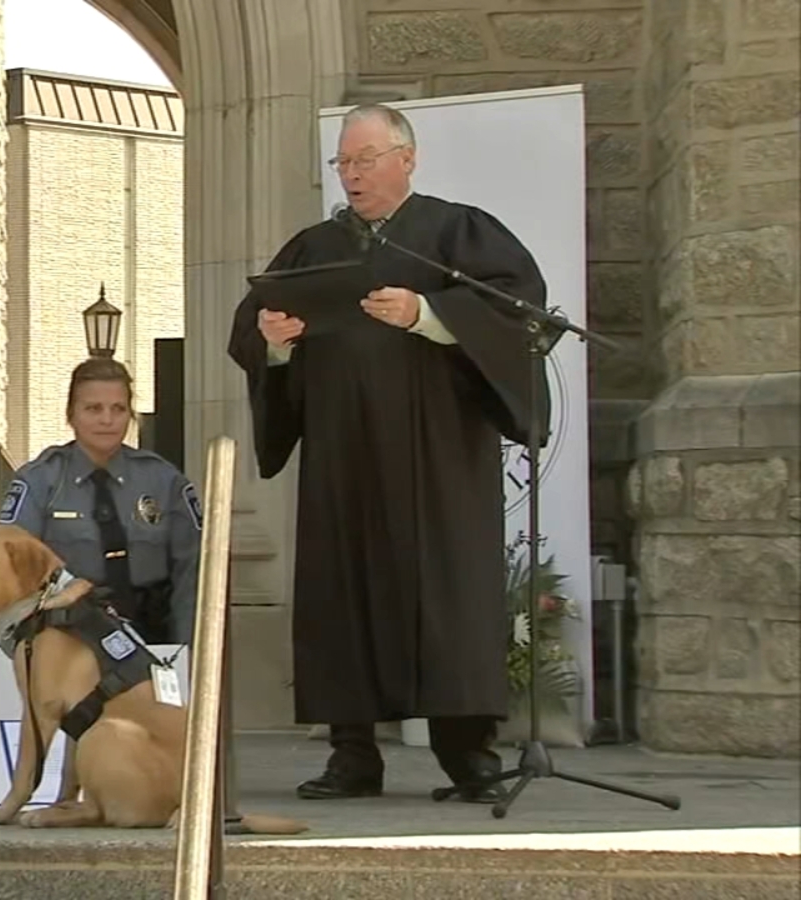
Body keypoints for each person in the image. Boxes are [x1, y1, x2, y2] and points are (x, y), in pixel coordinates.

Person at [226, 102, 550, 803]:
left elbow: (521, 310)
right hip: (342, 454)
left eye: (366, 159)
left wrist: (428, 314)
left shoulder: (457, 232)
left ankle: (468, 756)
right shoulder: (312, 247)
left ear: (407, 158)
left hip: (440, 454)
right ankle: (353, 755)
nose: (353, 174)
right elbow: (248, 329)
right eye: (343, 162)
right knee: (342, 593)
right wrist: (274, 340)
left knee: (448, 595)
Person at [0, 358, 201, 646]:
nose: (107, 420)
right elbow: (9, 566)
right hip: (66, 639)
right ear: (71, 415)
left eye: (118, 409)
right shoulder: (40, 481)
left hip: (152, 637)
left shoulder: (163, 481)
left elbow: (192, 574)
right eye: (93, 409)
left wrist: (188, 650)